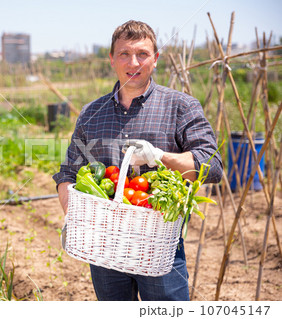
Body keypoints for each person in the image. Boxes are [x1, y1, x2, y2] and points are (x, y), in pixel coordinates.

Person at [52, 20, 223, 301]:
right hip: (104, 247)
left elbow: (211, 166)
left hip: (157, 245)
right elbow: (68, 172)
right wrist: (74, 215)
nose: (134, 62)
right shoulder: (91, 113)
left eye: (142, 54)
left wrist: (159, 156)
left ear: (155, 59)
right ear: (112, 59)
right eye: (124, 54)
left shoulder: (181, 106)